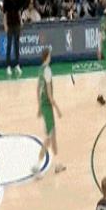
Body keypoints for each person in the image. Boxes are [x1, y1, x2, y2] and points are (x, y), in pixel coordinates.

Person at [32, 48, 66, 177]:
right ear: (47, 57)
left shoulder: (40, 70)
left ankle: (39, 165)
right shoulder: (47, 71)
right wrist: (58, 109)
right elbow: (50, 95)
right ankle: (49, 166)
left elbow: (38, 90)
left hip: (44, 106)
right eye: (50, 55)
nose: (51, 57)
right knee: (52, 137)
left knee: (48, 139)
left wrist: (39, 107)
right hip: (48, 107)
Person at [3, 0, 23, 77]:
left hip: (17, 22)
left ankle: (17, 65)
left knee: (17, 45)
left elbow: (19, 9)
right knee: (9, 45)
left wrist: (21, 20)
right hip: (10, 23)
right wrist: (5, 24)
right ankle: (8, 66)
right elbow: (5, 11)